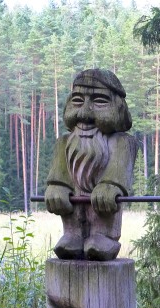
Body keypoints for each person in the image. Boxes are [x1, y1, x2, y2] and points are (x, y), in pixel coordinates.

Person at [44, 69, 138, 261]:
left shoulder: (122, 143)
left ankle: (103, 235)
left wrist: (111, 185)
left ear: (118, 108)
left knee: (104, 202)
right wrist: (57, 187)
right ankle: (73, 235)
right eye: (78, 101)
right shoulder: (64, 142)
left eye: (99, 101)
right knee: (69, 218)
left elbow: (119, 173)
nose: (85, 112)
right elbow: (59, 175)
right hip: (73, 208)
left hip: (105, 211)